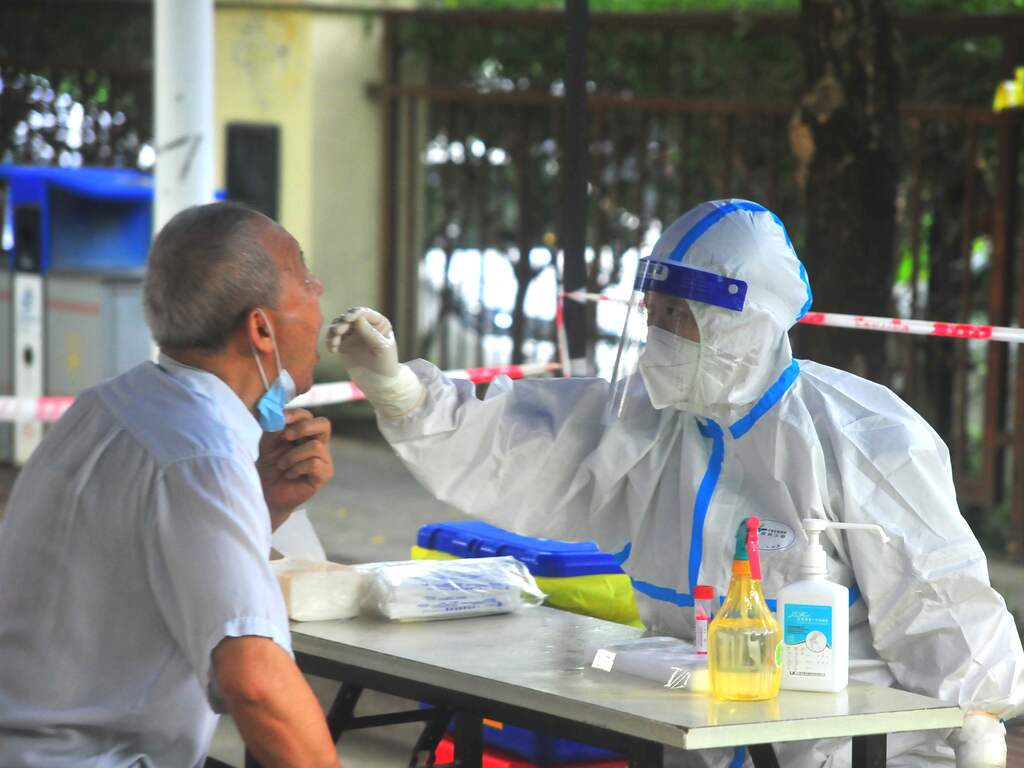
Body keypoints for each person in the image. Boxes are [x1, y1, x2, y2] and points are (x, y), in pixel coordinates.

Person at [330, 199, 1023, 768]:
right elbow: (518, 442)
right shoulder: (645, 420)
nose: (658, 334)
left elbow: (942, 610)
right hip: (691, 740)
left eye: (679, 316)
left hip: (848, 753)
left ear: (742, 324)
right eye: (653, 312)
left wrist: (978, 729)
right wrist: (398, 390)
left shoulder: (863, 438)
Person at [0, 202, 339, 768]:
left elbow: (144, 572)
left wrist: (264, 505)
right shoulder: (203, 456)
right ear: (261, 329)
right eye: (303, 274)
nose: (318, 286)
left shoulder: (106, 407)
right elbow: (256, 684)